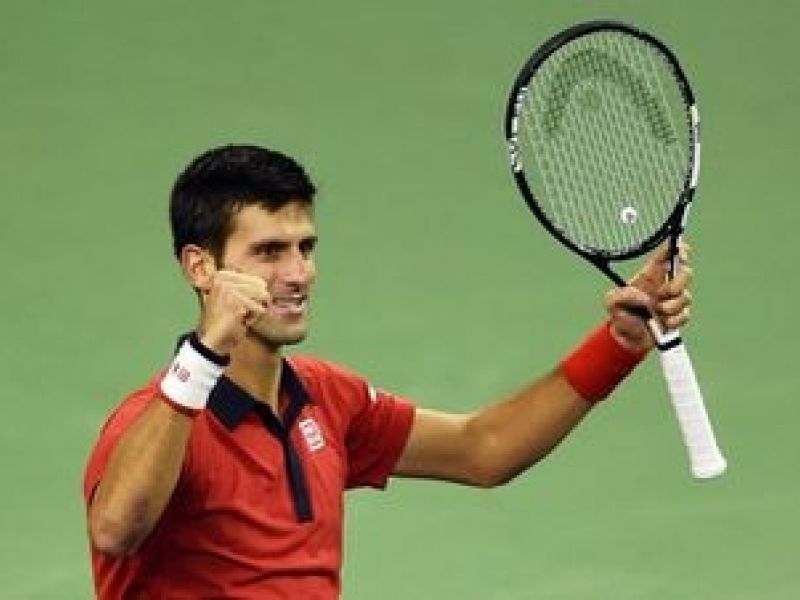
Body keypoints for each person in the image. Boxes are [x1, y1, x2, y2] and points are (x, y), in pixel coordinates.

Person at [83, 144, 693, 599]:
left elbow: (483, 449)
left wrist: (619, 344)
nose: (298, 274)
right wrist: (202, 358)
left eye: (305, 248)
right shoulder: (153, 423)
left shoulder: (327, 398)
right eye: (269, 252)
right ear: (200, 268)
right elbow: (115, 530)